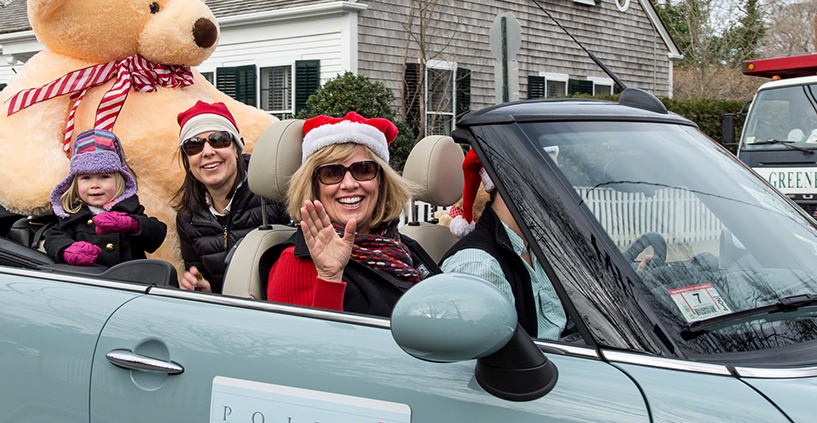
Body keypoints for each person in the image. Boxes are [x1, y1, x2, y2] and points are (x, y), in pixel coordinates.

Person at [266, 112, 438, 316]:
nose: (349, 184)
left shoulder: (401, 245)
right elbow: (309, 345)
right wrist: (330, 277)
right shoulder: (295, 262)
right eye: (332, 173)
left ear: (381, 181)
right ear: (313, 186)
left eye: (363, 170)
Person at [440, 150, 567, 340]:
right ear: (507, 182)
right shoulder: (480, 267)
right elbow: (501, 362)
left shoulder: (540, 249)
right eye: (544, 177)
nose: (556, 191)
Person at [174, 101, 288, 294]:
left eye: (219, 140)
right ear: (187, 160)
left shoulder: (273, 194)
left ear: (237, 148)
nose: (208, 152)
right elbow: (206, 280)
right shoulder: (187, 218)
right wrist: (205, 289)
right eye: (194, 145)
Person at [45, 129, 167, 266]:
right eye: (86, 178)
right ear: (75, 183)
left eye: (104, 177)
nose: (95, 185)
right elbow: (53, 237)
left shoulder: (128, 207)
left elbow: (156, 234)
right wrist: (67, 250)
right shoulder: (72, 213)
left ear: (119, 180)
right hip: (88, 282)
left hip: (129, 281)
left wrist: (131, 224)